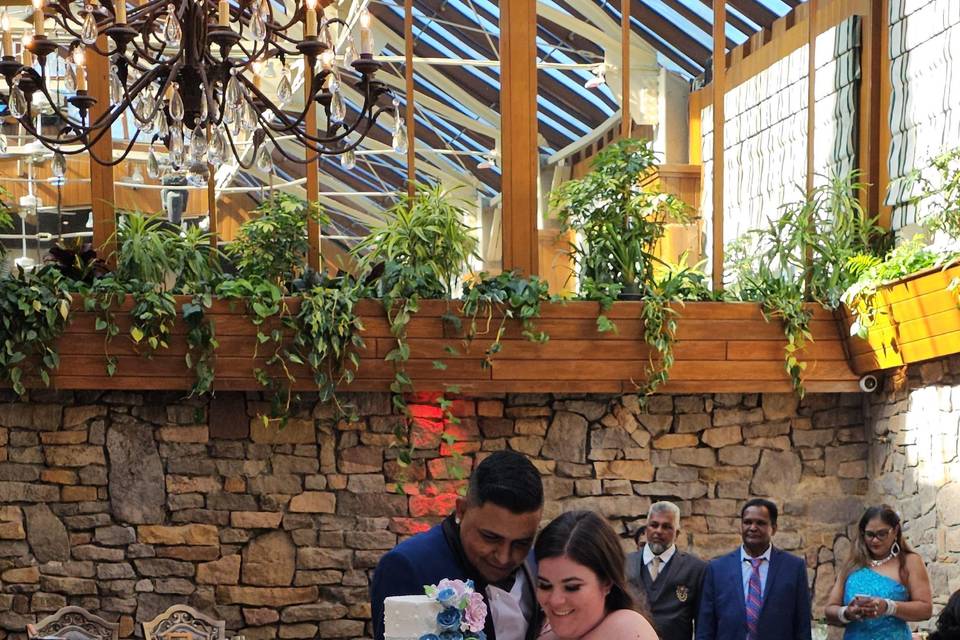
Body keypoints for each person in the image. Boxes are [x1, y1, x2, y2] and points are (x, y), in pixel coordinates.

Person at [370, 450, 544, 640]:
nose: (504, 557)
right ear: (461, 510)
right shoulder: (407, 566)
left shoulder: (541, 566)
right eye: (490, 537)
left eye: (522, 543)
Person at [695, 498, 811, 640]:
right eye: (747, 522)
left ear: (773, 528)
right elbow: (705, 626)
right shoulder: (717, 569)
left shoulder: (793, 568)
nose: (753, 528)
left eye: (760, 523)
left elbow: (803, 625)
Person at [534, 510, 658, 640]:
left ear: (606, 582)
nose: (555, 600)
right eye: (544, 585)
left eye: (572, 587)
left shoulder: (627, 629)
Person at [824, 505, 932, 639]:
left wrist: (888, 607)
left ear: (895, 531)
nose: (875, 540)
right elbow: (829, 610)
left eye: (882, 534)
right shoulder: (852, 564)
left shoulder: (909, 562)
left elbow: (925, 609)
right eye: (870, 534)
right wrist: (847, 612)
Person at [626, 501, 707, 640]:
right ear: (646, 529)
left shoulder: (696, 569)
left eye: (666, 527)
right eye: (654, 525)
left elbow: (703, 621)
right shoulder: (624, 563)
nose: (658, 531)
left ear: (677, 533)